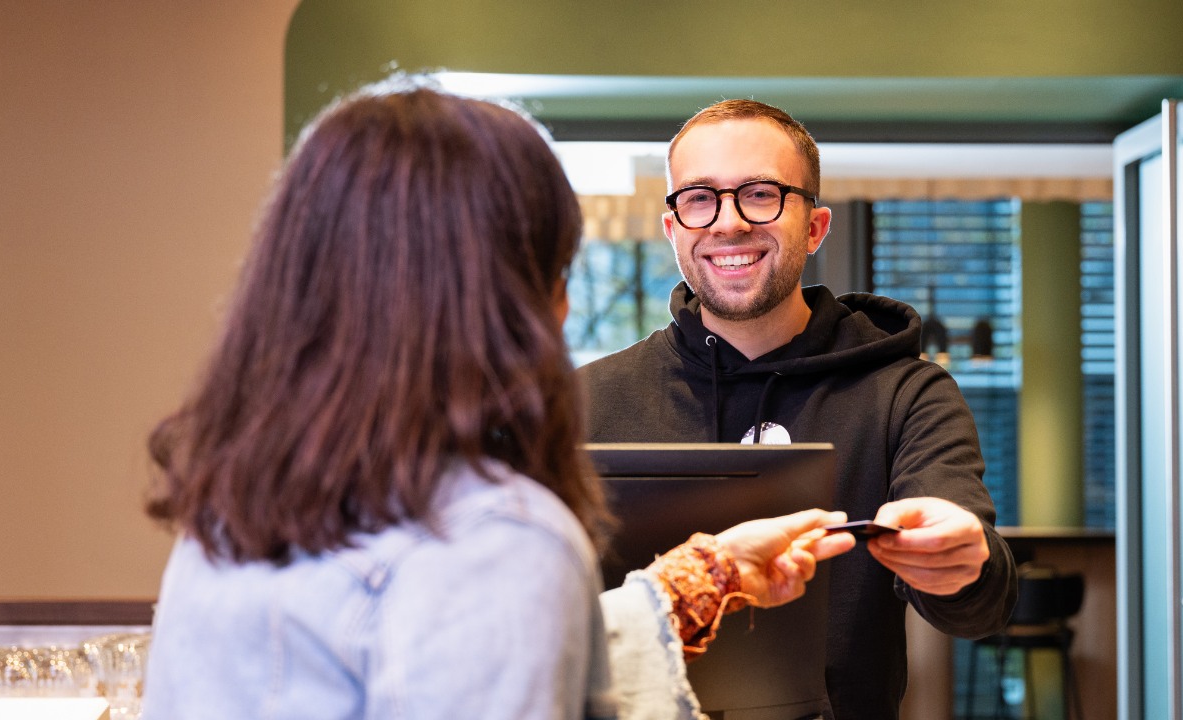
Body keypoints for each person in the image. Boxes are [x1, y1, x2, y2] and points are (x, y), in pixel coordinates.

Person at [139, 81, 859, 720]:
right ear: (510, 297)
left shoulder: (235, 511)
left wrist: (705, 578)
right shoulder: (501, 538)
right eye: (555, 267)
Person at [578, 99, 1019, 719]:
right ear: (673, 227)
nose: (728, 223)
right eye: (699, 198)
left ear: (814, 228)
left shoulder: (906, 393)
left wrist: (961, 564)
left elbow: (980, 603)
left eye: (760, 194)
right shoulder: (582, 402)